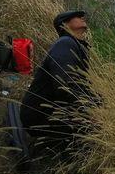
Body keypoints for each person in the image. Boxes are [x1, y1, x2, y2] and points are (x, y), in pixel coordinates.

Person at [20, 10, 91, 150]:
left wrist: (97, 101)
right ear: (64, 24)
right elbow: (64, 85)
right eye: (77, 16)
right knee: (96, 128)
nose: (82, 17)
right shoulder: (65, 43)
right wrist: (88, 111)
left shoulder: (73, 44)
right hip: (39, 117)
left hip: (42, 114)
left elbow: (78, 84)